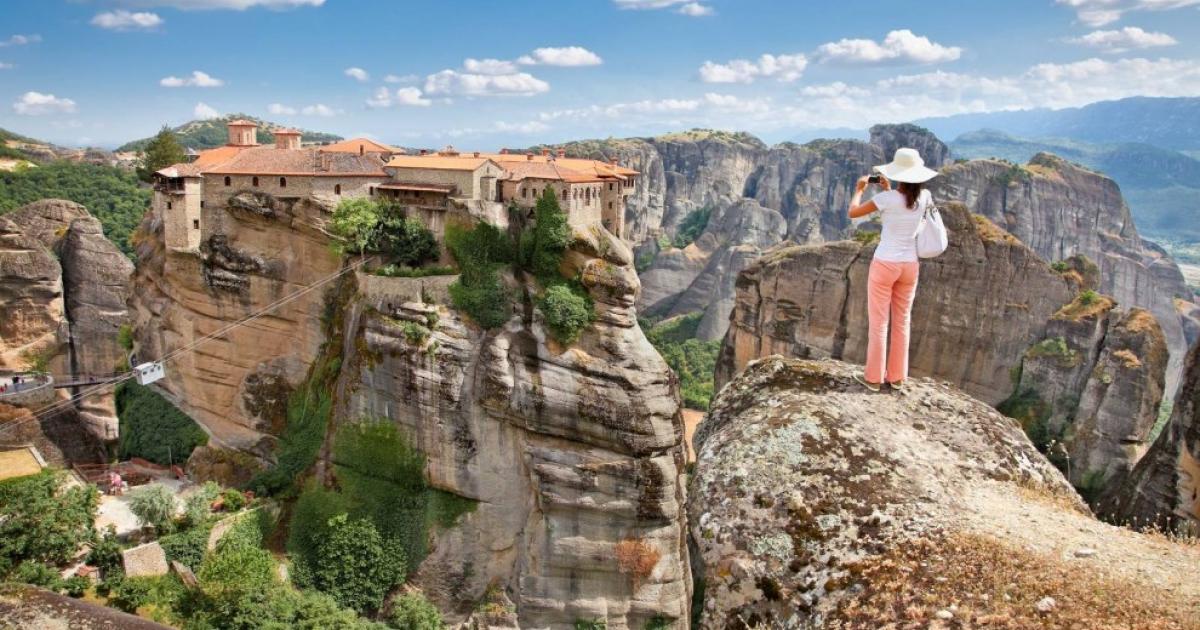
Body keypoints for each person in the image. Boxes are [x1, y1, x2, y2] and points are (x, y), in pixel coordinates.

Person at [846, 147, 940, 392]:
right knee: (902, 321)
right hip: (910, 266)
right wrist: (888, 190)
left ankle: (873, 379)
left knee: (879, 323)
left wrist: (860, 189)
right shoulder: (926, 196)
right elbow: (905, 205)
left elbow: (853, 212)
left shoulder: (887, 200)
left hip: (885, 264)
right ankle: (897, 377)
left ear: (898, 174)